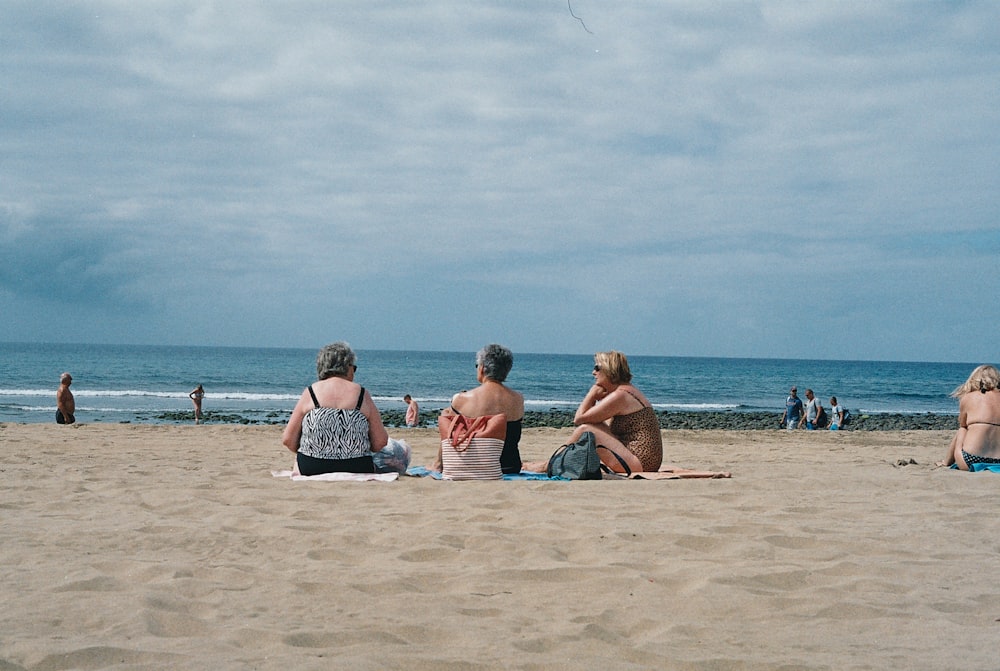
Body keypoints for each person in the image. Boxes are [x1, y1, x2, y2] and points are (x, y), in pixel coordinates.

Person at [523, 351, 728, 478]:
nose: (593, 372)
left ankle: (546, 465)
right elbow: (600, 424)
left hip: (639, 463)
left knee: (585, 429)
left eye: (597, 368)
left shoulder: (621, 395)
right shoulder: (624, 392)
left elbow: (580, 419)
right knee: (594, 427)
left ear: (609, 370)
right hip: (642, 459)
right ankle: (551, 463)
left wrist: (592, 394)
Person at [282, 342, 409, 475]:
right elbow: (380, 442)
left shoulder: (311, 392)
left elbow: (288, 439)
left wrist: (315, 448)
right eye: (354, 368)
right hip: (357, 466)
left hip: (311, 466)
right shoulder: (361, 394)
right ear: (347, 367)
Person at [431, 344, 524, 474]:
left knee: (447, 416)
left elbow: (449, 434)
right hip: (509, 467)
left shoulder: (462, 399)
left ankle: (439, 464)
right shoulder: (518, 399)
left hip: (472, 466)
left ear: (482, 369)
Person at [937, 365, 1000, 470]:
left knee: (963, 428)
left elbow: (962, 424)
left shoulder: (968, 397)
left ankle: (947, 461)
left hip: (970, 459)